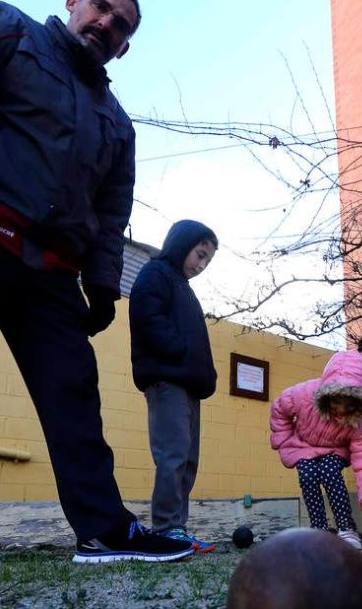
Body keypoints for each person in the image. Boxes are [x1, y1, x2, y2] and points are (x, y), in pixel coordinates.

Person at [0, 0, 194, 564]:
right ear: (74, 2)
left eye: (120, 24)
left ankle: (103, 532)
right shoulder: (2, 27)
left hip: (48, 275)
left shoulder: (117, 125)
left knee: (75, 402)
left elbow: (111, 210)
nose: (106, 23)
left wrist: (102, 286)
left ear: (124, 45)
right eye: (100, 7)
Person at [128, 220, 220, 552]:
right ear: (182, 244)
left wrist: (204, 372)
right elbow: (147, 316)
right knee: (173, 455)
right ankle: (165, 528)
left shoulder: (184, 287)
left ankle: (176, 528)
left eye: (207, 260)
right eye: (199, 254)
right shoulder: (155, 274)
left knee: (188, 458)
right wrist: (177, 350)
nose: (201, 265)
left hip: (188, 385)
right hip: (167, 381)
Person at [269, 349, 362, 549]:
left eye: (348, 405)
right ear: (326, 394)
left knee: (329, 469)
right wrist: (284, 440)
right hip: (304, 446)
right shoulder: (305, 394)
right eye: (335, 403)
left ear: (358, 401)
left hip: (335, 450)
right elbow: (279, 408)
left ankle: (345, 527)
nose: (341, 411)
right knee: (307, 473)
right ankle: (319, 529)